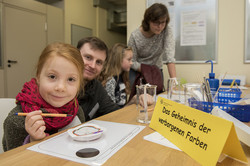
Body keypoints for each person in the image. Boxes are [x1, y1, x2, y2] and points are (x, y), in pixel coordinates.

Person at [2, 42, 86, 151]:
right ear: (38, 77)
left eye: (71, 79)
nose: (61, 87)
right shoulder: (17, 121)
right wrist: (33, 141)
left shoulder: (75, 111)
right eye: (52, 76)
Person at [128, 3, 177, 87]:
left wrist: (174, 80)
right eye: (156, 23)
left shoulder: (166, 31)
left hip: (156, 69)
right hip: (138, 71)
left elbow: (170, 58)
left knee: (157, 96)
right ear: (148, 21)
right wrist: (146, 70)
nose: (160, 26)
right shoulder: (135, 36)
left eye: (163, 22)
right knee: (139, 97)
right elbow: (131, 61)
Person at [77, 37, 120, 121]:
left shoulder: (96, 87)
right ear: (75, 55)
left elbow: (115, 113)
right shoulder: (60, 85)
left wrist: (133, 102)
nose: (93, 66)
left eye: (98, 62)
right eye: (88, 57)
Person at [98, 43, 133, 108]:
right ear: (118, 59)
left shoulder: (123, 76)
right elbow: (110, 108)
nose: (131, 63)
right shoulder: (111, 80)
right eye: (129, 59)